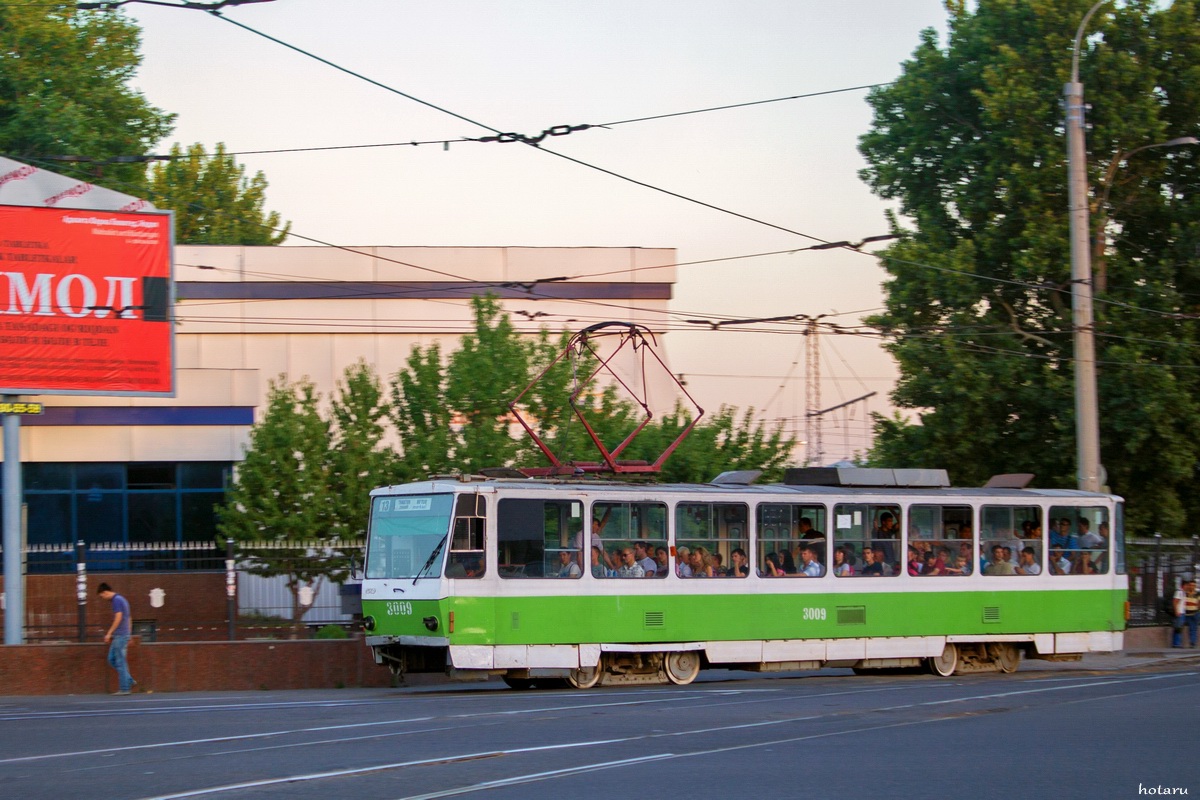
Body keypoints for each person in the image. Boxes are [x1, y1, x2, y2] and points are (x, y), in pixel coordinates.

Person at [97, 582, 135, 695]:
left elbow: (118, 618)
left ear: (105, 592)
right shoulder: (122, 599)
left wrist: (109, 633)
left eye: (101, 596)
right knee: (112, 659)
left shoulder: (116, 600)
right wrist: (129, 634)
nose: (103, 599)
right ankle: (128, 680)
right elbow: (129, 618)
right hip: (123, 634)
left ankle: (124, 689)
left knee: (119, 661)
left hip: (119, 635)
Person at [1172, 578, 1199, 648]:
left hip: (1192, 613)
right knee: (1178, 628)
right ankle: (1177, 644)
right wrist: (1177, 611)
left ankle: (1191, 643)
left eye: (1193, 585)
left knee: (1191, 628)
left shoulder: (1195, 594)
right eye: (1189, 585)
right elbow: (1175, 602)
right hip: (1183, 613)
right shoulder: (1182, 592)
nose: (1190, 587)